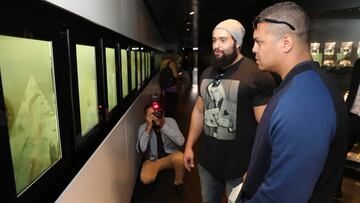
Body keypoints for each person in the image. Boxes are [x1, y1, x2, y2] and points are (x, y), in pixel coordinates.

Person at [236, 2, 348, 203]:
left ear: (286, 43)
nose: (253, 49)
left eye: (259, 42)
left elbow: (282, 197)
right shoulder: (304, 85)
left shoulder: (305, 104)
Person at [183, 19, 276, 203]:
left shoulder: (257, 75)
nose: (216, 46)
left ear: (238, 42)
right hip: (207, 165)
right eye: (214, 40)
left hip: (240, 170)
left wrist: (258, 166)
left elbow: (267, 127)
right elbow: (199, 112)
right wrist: (189, 146)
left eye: (223, 40)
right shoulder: (207, 73)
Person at [136, 102, 185, 190]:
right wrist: (148, 127)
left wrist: (163, 125)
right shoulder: (143, 127)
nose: (154, 116)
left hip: (169, 157)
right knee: (145, 179)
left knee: (180, 158)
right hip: (153, 160)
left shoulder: (170, 121)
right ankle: (156, 170)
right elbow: (141, 149)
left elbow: (181, 142)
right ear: (146, 117)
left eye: (156, 113)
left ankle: (179, 183)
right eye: (150, 114)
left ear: (162, 113)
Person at [160, 51, 180, 117]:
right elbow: (175, 75)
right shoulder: (171, 63)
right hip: (172, 87)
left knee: (167, 103)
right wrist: (179, 74)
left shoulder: (163, 62)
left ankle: (166, 117)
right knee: (173, 103)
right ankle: (171, 118)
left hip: (164, 86)